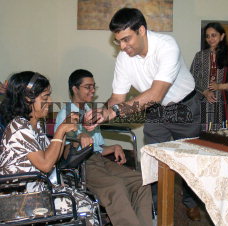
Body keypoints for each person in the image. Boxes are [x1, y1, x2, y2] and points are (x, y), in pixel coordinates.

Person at [84, 7, 202, 221]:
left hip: (186, 108)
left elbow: (156, 94)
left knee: (189, 163)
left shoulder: (167, 46)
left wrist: (114, 113)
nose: (122, 46)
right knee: (154, 164)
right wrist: (102, 112)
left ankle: (191, 202)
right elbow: (117, 98)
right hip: (156, 113)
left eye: (127, 39)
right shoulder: (123, 58)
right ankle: (155, 211)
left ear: (142, 30)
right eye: (118, 41)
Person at [54, 69, 153, 226]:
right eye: (88, 87)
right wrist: (77, 138)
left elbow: (96, 147)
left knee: (141, 182)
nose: (93, 90)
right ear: (75, 88)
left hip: (99, 160)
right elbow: (63, 153)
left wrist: (114, 147)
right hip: (82, 166)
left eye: (94, 86)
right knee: (116, 186)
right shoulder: (65, 113)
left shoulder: (89, 111)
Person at [0, 71, 98, 225]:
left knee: (86, 201)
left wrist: (64, 131)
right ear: (28, 99)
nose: (50, 101)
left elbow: (53, 158)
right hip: (19, 201)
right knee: (83, 208)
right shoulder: (19, 128)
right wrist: (60, 130)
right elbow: (46, 165)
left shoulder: (34, 126)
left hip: (37, 192)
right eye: (45, 97)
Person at [190, 22, 228, 131]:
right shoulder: (200, 56)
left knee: (225, 138)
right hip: (204, 103)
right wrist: (205, 92)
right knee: (206, 136)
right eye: (207, 36)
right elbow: (192, 79)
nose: (210, 39)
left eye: (214, 35)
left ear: (222, 36)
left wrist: (219, 86)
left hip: (225, 104)